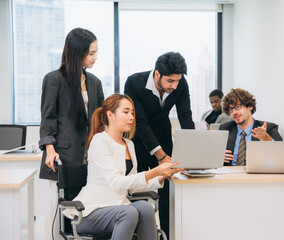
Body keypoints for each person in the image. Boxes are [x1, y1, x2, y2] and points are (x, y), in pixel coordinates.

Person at [64, 94, 182, 239]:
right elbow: (116, 182)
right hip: (90, 212)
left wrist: (161, 176)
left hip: (119, 209)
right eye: (126, 112)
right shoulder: (100, 141)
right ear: (110, 115)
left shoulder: (129, 144)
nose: (131, 117)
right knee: (129, 212)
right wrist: (154, 171)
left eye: (132, 112)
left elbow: (132, 187)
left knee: (145, 208)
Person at [124, 52, 195, 236]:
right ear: (157, 74)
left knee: (165, 193)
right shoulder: (134, 83)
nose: (175, 85)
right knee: (137, 191)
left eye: (178, 81)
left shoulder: (180, 84)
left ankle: (166, 235)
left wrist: (192, 149)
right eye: (170, 81)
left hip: (164, 138)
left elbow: (185, 116)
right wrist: (160, 156)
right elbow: (140, 122)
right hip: (138, 142)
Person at [38, 28, 104, 198]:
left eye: (96, 52)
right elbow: (48, 118)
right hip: (64, 157)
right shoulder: (54, 80)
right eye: (91, 53)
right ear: (76, 53)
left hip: (91, 158)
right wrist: (49, 150)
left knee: (89, 210)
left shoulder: (95, 82)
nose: (95, 57)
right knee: (66, 213)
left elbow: (100, 121)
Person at [219, 88, 283, 166]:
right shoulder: (225, 128)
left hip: (256, 175)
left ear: (250, 106)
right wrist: (217, 156)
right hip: (229, 175)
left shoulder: (268, 128)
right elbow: (212, 152)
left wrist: (267, 139)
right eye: (231, 109)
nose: (234, 112)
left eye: (238, 107)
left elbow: (281, 155)